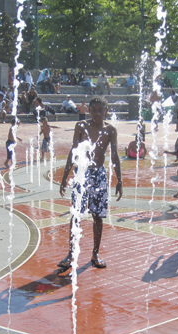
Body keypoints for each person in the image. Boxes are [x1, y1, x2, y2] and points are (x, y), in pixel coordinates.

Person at [58, 96, 123, 270]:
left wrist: (119, 180)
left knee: (98, 216)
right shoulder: (81, 126)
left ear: (106, 111)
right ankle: (71, 253)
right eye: (93, 110)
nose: (97, 114)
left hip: (99, 175)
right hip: (82, 173)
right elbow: (73, 152)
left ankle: (95, 253)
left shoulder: (110, 130)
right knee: (76, 214)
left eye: (100, 110)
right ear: (88, 111)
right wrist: (64, 178)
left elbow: (114, 156)